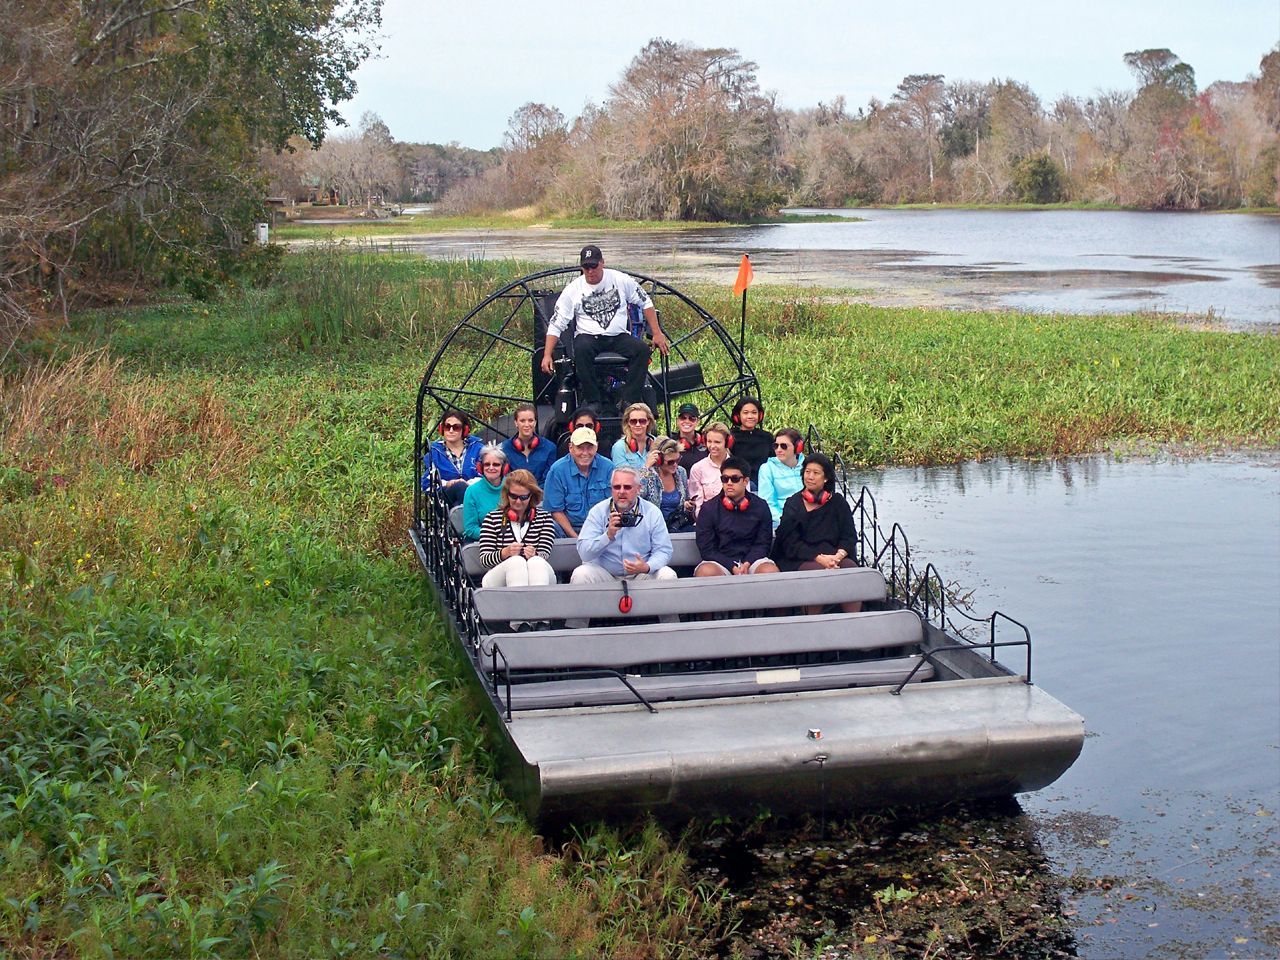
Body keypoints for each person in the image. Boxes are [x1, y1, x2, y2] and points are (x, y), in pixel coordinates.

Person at [539, 244, 670, 410]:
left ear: (602, 263)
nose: (590, 271)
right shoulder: (573, 289)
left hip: (618, 336)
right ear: (582, 267)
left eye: (593, 266)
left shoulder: (620, 280)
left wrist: (657, 333)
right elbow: (556, 323)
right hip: (588, 337)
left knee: (642, 350)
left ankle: (629, 400)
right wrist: (546, 354)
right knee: (581, 349)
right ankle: (593, 401)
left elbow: (645, 302)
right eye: (586, 267)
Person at [568, 466, 678, 626]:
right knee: (581, 573)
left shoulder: (652, 512)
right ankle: (574, 630)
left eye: (627, 487)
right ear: (611, 489)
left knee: (667, 575)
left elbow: (664, 550)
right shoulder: (598, 511)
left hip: (641, 574)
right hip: (606, 574)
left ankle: (671, 629)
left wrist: (647, 566)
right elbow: (584, 553)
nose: (621, 492)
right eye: (616, 487)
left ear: (638, 489)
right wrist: (608, 536)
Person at [773, 452, 861, 613]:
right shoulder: (793, 503)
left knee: (851, 570)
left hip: (834, 556)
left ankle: (854, 622)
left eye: (816, 473)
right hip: (800, 557)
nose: (810, 477)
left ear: (826, 478)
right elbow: (790, 543)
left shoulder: (838, 503)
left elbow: (849, 537)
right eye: (807, 472)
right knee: (817, 574)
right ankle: (812, 622)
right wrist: (820, 559)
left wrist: (837, 557)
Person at [694, 456, 778, 578]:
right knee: (706, 572)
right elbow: (707, 549)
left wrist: (747, 563)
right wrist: (731, 566)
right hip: (720, 562)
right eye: (724, 479)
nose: (729, 483)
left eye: (734, 479)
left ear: (745, 481)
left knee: (770, 571)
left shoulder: (761, 506)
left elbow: (763, 544)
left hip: (753, 561)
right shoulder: (708, 508)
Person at [476, 469, 557, 589]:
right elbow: (485, 559)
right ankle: (518, 605)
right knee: (516, 562)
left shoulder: (544, 517)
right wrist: (505, 552)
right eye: (513, 496)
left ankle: (538, 605)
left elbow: (545, 553)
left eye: (523, 497)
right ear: (506, 494)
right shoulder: (492, 518)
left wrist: (535, 554)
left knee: (536, 562)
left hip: (537, 573)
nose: (518, 501)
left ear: (532, 496)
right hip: (498, 575)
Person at [542, 426, 614, 537]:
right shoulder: (557, 470)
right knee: (549, 525)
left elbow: (615, 504)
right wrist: (576, 539)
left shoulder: (609, 467)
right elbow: (556, 511)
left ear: (596, 447)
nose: (585, 453)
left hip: (601, 528)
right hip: (568, 529)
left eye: (590, 447)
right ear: (571, 448)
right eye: (580, 447)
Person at [422, 409, 483, 505]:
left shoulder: (478, 449)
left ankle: (460, 516)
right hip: (445, 501)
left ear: (465, 430)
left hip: (475, 496)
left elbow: (487, 476)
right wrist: (448, 483)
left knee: (462, 489)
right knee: (459, 487)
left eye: (456, 427)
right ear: (442, 429)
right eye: (447, 427)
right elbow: (426, 484)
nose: (451, 430)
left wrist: (468, 484)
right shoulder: (434, 453)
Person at [640, 437, 694, 532]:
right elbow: (636, 497)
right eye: (670, 462)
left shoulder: (681, 472)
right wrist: (646, 468)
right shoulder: (648, 475)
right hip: (653, 528)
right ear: (659, 460)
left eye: (678, 460)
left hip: (677, 525)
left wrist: (687, 505)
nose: (675, 465)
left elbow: (686, 499)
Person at [757, 428, 806, 528]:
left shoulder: (808, 466)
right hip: (782, 524)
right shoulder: (767, 469)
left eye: (784, 446)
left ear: (798, 447)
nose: (778, 450)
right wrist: (786, 521)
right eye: (776, 446)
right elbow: (767, 503)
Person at [462, 444, 507, 542]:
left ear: (504, 468)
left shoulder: (513, 487)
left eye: (496, 464)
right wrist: (495, 535)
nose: (491, 468)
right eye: (487, 464)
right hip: (482, 543)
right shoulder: (472, 491)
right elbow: (470, 529)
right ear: (480, 467)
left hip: (510, 540)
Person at [500, 402, 555, 484]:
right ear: (516, 423)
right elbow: (506, 479)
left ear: (535, 422)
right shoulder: (504, 448)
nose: (527, 424)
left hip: (541, 494)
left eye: (530, 420)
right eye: (522, 421)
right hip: (515, 494)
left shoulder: (550, 448)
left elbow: (549, 480)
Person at [688, 421, 732, 518]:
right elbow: (698, 504)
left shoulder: (738, 466)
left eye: (717, 442)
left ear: (727, 442)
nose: (712, 446)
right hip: (708, 520)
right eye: (709, 441)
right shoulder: (698, 468)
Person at [729, 396, 773, 485]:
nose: (750, 416)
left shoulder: (767, 437)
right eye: (745, 413)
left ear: (760, 415)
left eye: (754, 412)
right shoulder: (730, 437)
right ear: (738, 416)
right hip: (741, 484)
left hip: (765, 483)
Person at [611, 401, 657, 471]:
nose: (638, 425)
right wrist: (646, 466)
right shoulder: (619, 447)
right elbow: (625, 479)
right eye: (633, 421)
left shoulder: (657, 442)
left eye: (642, 421)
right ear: (628, 423)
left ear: (648, 422)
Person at [670, 402, 708, 472]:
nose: (687, 421)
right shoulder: (670, 444)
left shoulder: (707, 441)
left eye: (692, 418)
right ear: (677, 420)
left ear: (697, 421)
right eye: (683, 418)